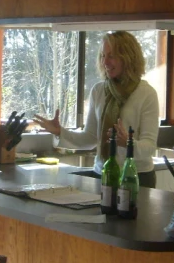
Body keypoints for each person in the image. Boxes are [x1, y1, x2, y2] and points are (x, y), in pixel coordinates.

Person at [34, 31, 160, 188]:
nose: (105, 62)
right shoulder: (99, 90)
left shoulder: (146, 93)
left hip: (136, 176)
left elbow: (149, 147)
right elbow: (90, 138)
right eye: (102, 55)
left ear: (128, 58)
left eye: (111, 56)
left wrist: (128, 143)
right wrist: (60, 132)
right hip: (102, 174)